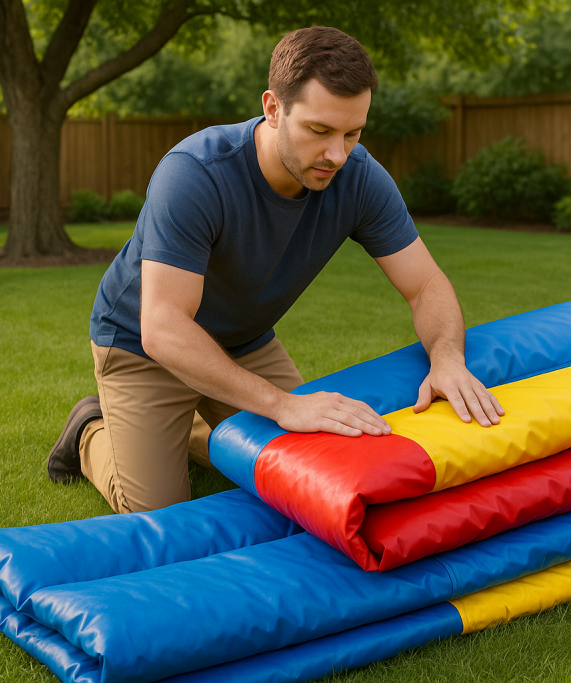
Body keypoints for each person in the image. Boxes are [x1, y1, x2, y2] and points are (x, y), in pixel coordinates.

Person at [46, 26, 504, 513]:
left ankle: (199, 429)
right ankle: (92, 430)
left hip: (244, 342)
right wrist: (282, 405)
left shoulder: (358, 177)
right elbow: (162, 327)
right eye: (320, 131)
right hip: (142, 346)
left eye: (352, 133)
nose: (337, 154)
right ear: (273, 108)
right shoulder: (195, 173)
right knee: (159, 511)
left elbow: (425, 284)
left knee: (309, 469)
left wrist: (447, 357)